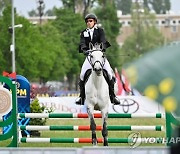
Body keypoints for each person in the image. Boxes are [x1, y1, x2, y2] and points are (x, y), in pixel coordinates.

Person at [75, 13, 120, 105]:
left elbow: (103, 41)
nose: (88, 23)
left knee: (109, 74)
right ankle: (81, 97)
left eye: (90, 21)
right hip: (89, 58)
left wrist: (101, 48)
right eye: (87, 21)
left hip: (99, 57)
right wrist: (85, 50)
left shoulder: (100, 31)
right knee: (82, 75)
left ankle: (113, 96)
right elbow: (82, 43)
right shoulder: (84, 33)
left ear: (94, 22)